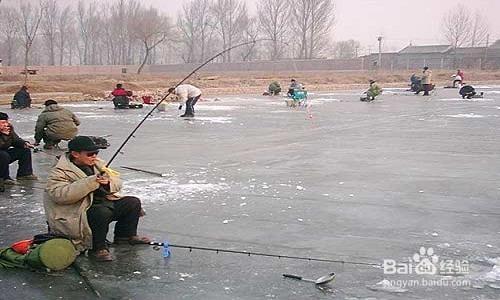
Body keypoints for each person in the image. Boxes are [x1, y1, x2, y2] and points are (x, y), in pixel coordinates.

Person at [44, 136, 150, 262]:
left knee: (132, 202)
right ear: (75, 154)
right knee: (101, 212)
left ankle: (125, 236)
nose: (94, 156)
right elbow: (60, 195)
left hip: (102, 202)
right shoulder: (59, 171)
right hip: (77, 211)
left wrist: (107, 183)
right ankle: (97, 248)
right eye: (90, 154)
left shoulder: (97, 164)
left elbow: (118, 182)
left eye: (96, 153)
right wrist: (90, 182)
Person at [0, 112, 37, 192]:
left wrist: (24, 143)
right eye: (3, 122)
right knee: (4, 155)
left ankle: (24, 173)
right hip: (2, 155)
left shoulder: (8, 129)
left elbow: (16, 140)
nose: (6, 124)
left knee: (24, 150)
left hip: (4, 154)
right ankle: (4, 177)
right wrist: (4, 135)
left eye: (6, 122)